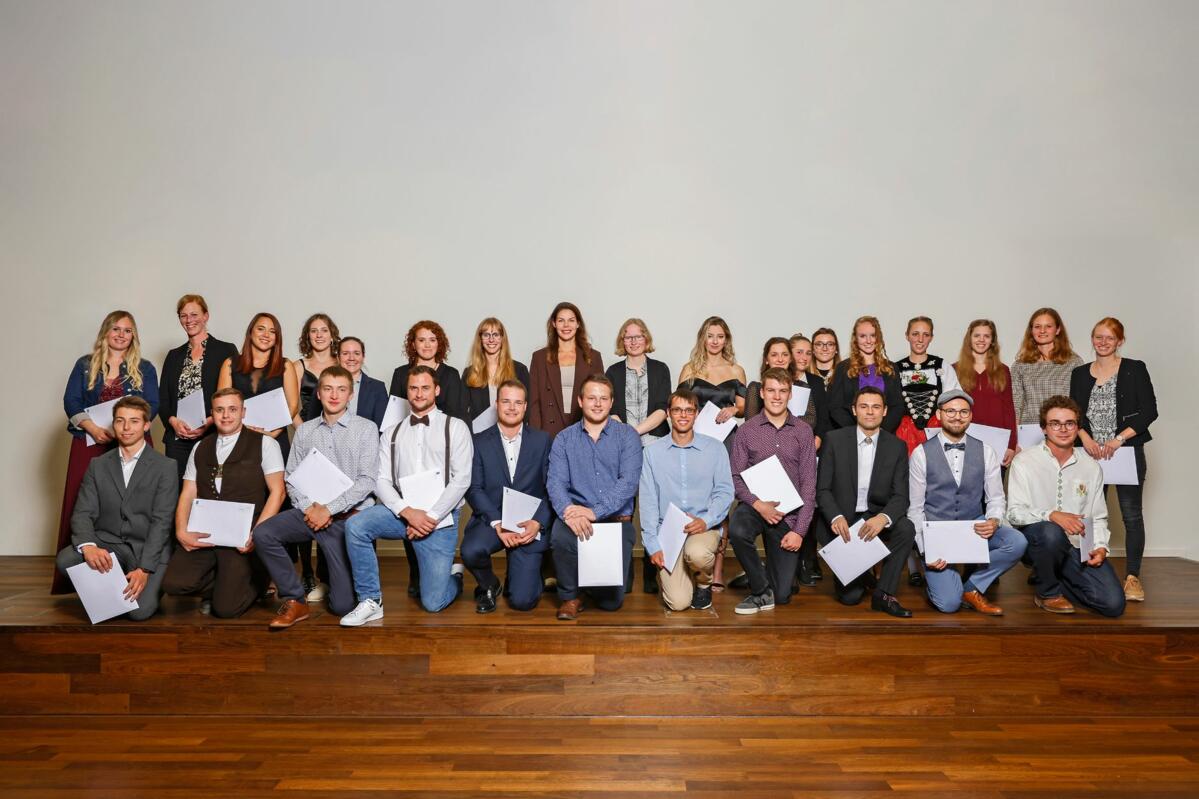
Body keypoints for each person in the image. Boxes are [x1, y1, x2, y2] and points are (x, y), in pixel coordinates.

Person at [343, 365, 473, 622]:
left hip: (441, 519)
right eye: (413, 388)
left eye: (425, 387)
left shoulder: (456, 427)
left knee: (433, 603)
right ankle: (371, 599)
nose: (419, 393)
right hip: (404, 515)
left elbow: (462, 480)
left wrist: (430, 517)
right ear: (406, 391)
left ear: (436, 390)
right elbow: (381, 480)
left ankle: (455, 576)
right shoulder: (392, 433)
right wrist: (407, 512)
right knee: (356, 525)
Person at [253, 366, 379, 630]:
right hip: (309, 513)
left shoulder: (366, 429)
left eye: (341, 389)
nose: (334, 395)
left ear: (350, 394)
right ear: (319, 393)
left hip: (346, 519)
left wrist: (329, 510)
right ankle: (295, 599)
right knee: (264, 534)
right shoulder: (305, 431)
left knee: (342, 606)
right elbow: (291, 478)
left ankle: (335, 585)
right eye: (328, 389)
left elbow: (367, 480)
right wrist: (311, 508)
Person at [54, 310, 159, 594]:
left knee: (135, 504)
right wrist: (92, 428)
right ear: (106, 332)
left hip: (130, 443)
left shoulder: (145, 368)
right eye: (116, 329)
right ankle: (82, 578)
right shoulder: (85, 364)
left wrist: (125, 430)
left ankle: (135, 568)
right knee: (83, 503)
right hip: (89, 443)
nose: (121, 335)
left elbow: (152, 404)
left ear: (133, 335)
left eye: (127, 330)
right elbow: (71, 400)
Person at [162, 387, 286, 617]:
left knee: (226, 609)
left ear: (243, 412)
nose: (226, 415)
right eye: (220, 410)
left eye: (232, 409)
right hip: (207, 532)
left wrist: (256, 535)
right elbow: (188, 492)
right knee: (172, 584)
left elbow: (278, 492)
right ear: (212, 413)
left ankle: (257, 582)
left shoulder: (265, 444)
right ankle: (224, 584)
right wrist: (181, 531)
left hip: (243, 536)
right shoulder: (201, 446)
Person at [54, 397, 177, 621]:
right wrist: (89, 546)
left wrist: (145, 569)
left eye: (134, 421)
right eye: (120, 421)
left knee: (138, 613)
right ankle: (109, 586)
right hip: (108, 544)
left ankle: (148, 584)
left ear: (146, 425)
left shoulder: (166, 467)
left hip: (145, 548)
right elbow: (83, 512)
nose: (126, 427)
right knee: (66, 560)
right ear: (114, 424)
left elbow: (162, 523)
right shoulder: (98, 465)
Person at [908, 390, 1027, 615]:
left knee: (1017, 541)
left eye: (963, 411)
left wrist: (993, 520)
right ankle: (942, 585)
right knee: (949, 605)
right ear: (939, 415)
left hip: (973, 527)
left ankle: (971, 587)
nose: (957, 416)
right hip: (938, 533)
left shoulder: (986, 451)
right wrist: (926, 550)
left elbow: (996, 498)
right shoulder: (920, 454)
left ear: (971, 416)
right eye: (950, 411)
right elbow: (915, 509)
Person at [1007, 396, 1125, 617]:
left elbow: (1097, 516)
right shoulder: (1024, 462)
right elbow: (1014, 513)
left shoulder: (1091, 467)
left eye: (1069, 423)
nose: (1063, 429)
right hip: (1037, 542)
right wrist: (1052, 515)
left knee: (1113, 604)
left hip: (1078, 544)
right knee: (1051, 532)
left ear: (1077, 427)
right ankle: (1047, 593)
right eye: (1055, 423)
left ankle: (1056, 575)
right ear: (1044, 428)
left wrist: (1100, 546)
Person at [1070, 317, 1157, 602]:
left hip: (1125, 452)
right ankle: (1087, 570)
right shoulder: (1080, 373)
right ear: (1092, 338)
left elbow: (1149, 412)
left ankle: (1132, 577)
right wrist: (1085, 439)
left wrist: (1119, 439)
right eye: (1098, 337)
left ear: (1120, 341)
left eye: (1109, 338)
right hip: (1091, 453)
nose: (1103, 342)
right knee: (1089, 514)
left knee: (1131, 515)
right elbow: (1074, 413)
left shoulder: (1134, 369)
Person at [547, 374, 642, 620]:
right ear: (580, 401)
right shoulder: (564, 439)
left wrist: (595, 512)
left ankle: (590, 586)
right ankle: (570, 596)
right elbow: (556, 482)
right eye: (591, 398)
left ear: (611, 402)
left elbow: (628, 483)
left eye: (603, 398)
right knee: (559, 535)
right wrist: (569, 512)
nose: (597, 404)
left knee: (611, 603)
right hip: (576, 514)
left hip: (614, 518)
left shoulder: (628, 436)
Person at [816, 386, 917, 617]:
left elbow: (901, 496)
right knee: (850, 598)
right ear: (854, 410)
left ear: (884, 412)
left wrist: (883, 518)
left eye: (876, 407)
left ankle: (884, 594)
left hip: (875, 517)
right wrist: (836, 516)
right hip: (843, 519)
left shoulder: (897, 446)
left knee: (905, 527)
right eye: (864, 406)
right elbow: (822, 489)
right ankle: (862, 575)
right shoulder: (834, 439)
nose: (870, 412)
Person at [728, 368, 818, 614]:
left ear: (790, 394)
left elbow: (809, 485)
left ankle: (764, 574)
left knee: (783, 596)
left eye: (782, 391)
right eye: (771, 391)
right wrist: (759, 505)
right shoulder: (747, 430)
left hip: (788, 516)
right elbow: (736, 478)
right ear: (762, 394)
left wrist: (799, 532)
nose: (776, 397)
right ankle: (759, 589)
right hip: (756, 507)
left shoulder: (803, 431)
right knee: (738, 529)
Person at [461, 380, 553, 613]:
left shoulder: (542, 440)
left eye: (518, 402)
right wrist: (497, 522)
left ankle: (522, 575)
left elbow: (552, 487)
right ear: (496, 405)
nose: (512, 407)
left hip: (528, 525)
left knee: (523, 602)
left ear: (524, 407)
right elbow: (474, 488)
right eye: (506, 401)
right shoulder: (479, 441)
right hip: (494, 519)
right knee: (471, 551)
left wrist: (538, 522)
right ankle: (489, 584)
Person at [639, 388, 734, 612]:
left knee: (697, 554)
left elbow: (724, 492)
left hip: (703, 527)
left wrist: (707, 520)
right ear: (668, 414)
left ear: (697, 414)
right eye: (677, 410)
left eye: (689, 410)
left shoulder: (715, 449)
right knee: (678, 603)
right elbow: (648, 502)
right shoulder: (652, 453)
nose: (683, 415)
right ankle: (684, 577)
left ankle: (703, 581)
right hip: (668, 533)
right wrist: (652, 544)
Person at [677, 316, 747, 588]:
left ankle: (716, 570)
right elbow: (680, 405)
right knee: (693, 498)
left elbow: (744, 406)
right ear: (702, 339)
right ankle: (690, 566)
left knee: (722, 503)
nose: (715, 341)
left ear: (726, 339)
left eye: (720, 336)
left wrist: (733, 409)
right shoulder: (689, 368)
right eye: (710, 335)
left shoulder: (736, 369)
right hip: (694, 440)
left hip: (725, 441)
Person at [605, 318, 671, 594]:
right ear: (623, 341)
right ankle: (625, 571)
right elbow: (610, 407)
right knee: (623, 509)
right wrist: (628, 435)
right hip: (621, 446)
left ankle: (649, 572)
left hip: (654, 443)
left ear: (646, 339)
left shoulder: (660, 369)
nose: (633, 341)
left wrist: (637, 431)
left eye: (638, 336)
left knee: (653, 508)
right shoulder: (612, 370)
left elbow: (662, 408)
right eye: (628, 337)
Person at [158, 294, 238, 480]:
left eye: (194, 314)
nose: (189, 320)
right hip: (178, 439)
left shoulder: (225, 350)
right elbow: (163, 399)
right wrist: (173, 422)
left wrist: (209, 421)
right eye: (183, 316)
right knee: (177, 491)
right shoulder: (173, 356)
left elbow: (233, 394)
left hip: (213, 434)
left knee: (210, 489)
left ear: (206, 316)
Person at [217, 312, 300, 463]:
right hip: (238, 439)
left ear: (277, 338)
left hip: (275, 439)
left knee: (276, 487)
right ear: (251, 332)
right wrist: (239, 432)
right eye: (261, 329)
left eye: (272, 331)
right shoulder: (230, 364)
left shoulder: (286, 365)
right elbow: (221, 405)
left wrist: (273, 433)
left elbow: (293, 406)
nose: (266, 335)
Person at [789, 333, 831, 588]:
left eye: (808, 352)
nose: (804, 357)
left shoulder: (815, 382)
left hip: (811, 451)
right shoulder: (779, 381)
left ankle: (808, 558)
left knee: (809, 504)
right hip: (783, 454)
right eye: (799, 352)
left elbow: (824, 419)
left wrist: (816, 441)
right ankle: (790, 560)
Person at [529, 302, 605, 438]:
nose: (566, 326)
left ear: (578, 324)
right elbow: (534, 403)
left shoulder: (593, 357)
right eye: (561, 320)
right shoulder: (539, 358)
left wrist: (597, 434)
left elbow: (601, 400)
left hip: (584, 431)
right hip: (549, 433)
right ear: (553, 324)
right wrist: (536, 438)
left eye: (571, 320)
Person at [953, 320, 1017, 467]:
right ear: (969, 339)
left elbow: (1009, 410)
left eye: (986, 336)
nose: (981, 340)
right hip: (965, 440)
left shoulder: (1003, 370)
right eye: (977, 335)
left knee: (994, 489)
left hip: (997, 444)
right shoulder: (955, 370)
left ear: (992, 341)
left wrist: (1011, 444)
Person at [827, 316, 904, 433]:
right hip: (850, 437)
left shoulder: (891, 368)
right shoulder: (843, 368)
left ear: (878, 338)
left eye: (872, 335)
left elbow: (897, 406)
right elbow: (836, 407)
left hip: (884, 436)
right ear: (855, 339)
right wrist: (857, 432)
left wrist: (880, 432)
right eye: (862, 336)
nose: (868, 341)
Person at [1011, 307, 1083, 425]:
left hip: (1063, 428)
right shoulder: (1020, 365)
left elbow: (1078, 403)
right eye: (1037, 326)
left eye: (1048, 326)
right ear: (1031, 330)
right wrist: (1016, 434)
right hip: (1030, 429)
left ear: (1058, 330)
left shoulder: (1074, 362)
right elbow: (1016, 403)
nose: (1042, 331)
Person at [894, 316, 952, 453]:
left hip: (936, 431)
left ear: (931, 337)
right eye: (915, 334)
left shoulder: (942, 366)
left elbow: (953, 401)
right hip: (905, 433)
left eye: (926, 335)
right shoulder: (896, 368)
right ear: (907, 336)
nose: (920, 339)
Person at [390, 320, 468, 420]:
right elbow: (393, 416)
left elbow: (455, 414)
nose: (427, 345)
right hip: (407, 432)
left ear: (439, 344)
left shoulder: (451, 374)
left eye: (432, 340)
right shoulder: (400, 374)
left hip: (442, 433)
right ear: (413, 344)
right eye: (421, 340)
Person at [304, 336, 388, 428]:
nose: (351, 358)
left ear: (363, 357)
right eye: (345, 353)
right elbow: (312, 423)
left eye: (356, 353)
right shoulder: (324, 384)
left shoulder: (377, 388)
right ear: (338, 357)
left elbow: (381, 428)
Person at [463, 317, 530, 423]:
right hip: (479, 435)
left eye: (496, 335)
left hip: (512, 432)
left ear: (502, 338)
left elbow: (528, 408)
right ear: (480, 339)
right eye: (486, 335)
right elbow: (462, 411)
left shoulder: (519, 370)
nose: (491, 340)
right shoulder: (469, 373)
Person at [292, 313, 340, 425]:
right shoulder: (298, 367)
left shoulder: (341, 364)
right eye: (314, 331)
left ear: (332, 335)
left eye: (324, 330)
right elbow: (290, 408)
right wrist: (304, 433)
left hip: (339, 430)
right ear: (308, 336)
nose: (319, 335)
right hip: (307, 427)